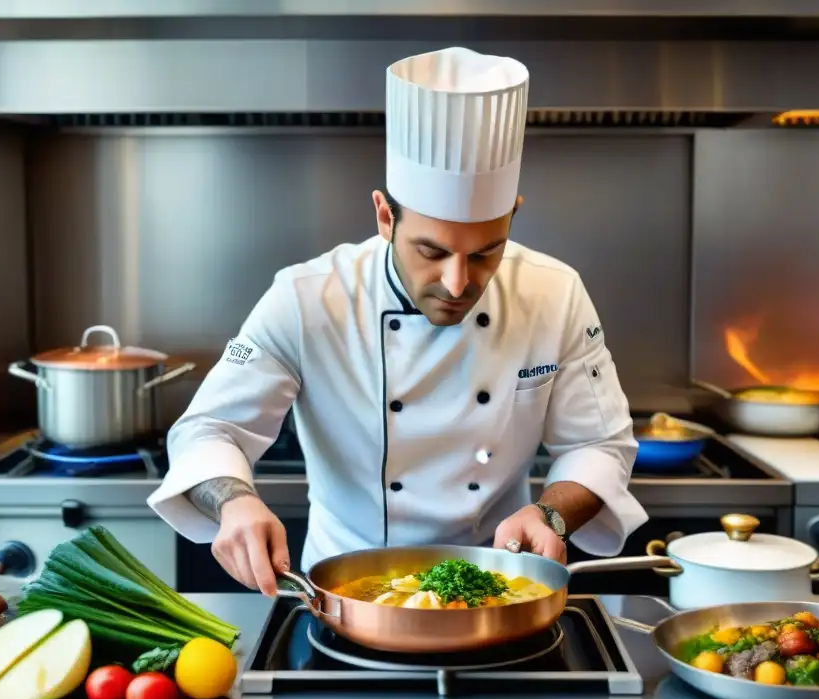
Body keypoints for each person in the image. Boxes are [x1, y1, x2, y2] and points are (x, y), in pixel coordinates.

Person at [147, 46, 647, 597]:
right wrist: (236, 501)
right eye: (431, 252)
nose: (459, 284)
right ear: (385, 216)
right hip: (342, 594)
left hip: (499, 591)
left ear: (513, 215)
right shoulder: (308, 297)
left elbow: (600, 444)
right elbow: (207, 430)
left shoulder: (554, 293)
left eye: (485, 253)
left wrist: (550, 516)